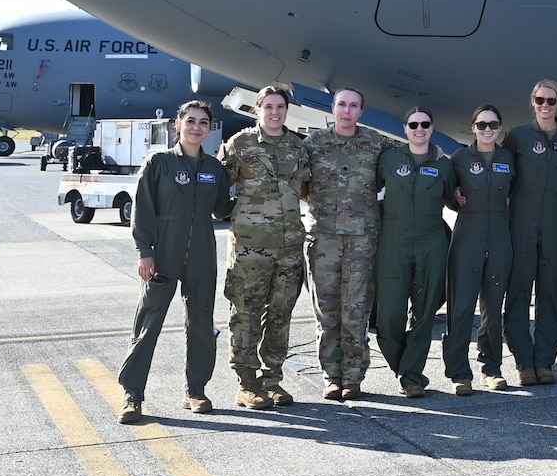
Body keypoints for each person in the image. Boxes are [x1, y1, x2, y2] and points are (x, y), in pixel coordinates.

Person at [116, 100, 232, 422]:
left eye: (203, 123)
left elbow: (223, 209)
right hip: (163, 251)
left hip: (202, 254)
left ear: (210, 129)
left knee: (201, 323)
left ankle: (196, 390)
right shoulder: (159, 163)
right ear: (177, 124)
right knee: (148, 323)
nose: (197, 127)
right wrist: (145, 252)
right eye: (190, 120)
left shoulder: (213, 168)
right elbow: (143, 209)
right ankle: (132, 396)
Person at [217, 85, 309, 410]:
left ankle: (272, 382)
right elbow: (217, 187)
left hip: (289, 249)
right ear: (257, 109)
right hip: (249, 250)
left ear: (286, 110)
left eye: (279, 107)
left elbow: (310, 190)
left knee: (281, 316)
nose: (274, 112)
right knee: (245, 316)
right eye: (267, 106)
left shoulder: (298, 148)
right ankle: (247, 384)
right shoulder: (239, 145)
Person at [302, 87, 381, 400]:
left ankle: (353, 377)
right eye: (342, 105)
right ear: (333, 109)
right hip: (324, 238)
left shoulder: (376, 143)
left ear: (361, 111)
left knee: (356, 310)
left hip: (362, 241)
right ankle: (331, 376)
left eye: (354, 105)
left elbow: (410, 158)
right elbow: (300, 184)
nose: (347, 111)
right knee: (327, 311)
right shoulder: (314, 144)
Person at [374, 108, 454, 397]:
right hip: (393, 243)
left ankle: (410, 377)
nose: (419, 129)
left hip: (431, 241)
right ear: (404, 128)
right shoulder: (389, 159)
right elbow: (368, 187)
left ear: (432, 129)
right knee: (390, 316)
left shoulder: (444, 165)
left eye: (425, 124)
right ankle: (405, 366)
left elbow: (455, 201)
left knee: (424, 313)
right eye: (413, 124)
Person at [505, 79, 557, 386]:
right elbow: (500, 170)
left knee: (551, 294)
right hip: (521, 224)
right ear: (532, 101)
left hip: (552, 224)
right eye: (540, 100)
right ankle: (524, 362)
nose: (545, 106)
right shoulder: (518, 136)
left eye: (551, 100)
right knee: (519, 293)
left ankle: (545, 362)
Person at [445, 105, 517, 392]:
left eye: (493, 125)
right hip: (467, 238)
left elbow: (516, 191)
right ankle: (460, 373)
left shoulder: (508, 158)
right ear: (472, 127)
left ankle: (492, 368)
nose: (488, 129)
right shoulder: (459, 158)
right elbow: (448, 193)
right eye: (482, 124)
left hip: (500, 237)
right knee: (461, 307)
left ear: (500, 128)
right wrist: (454, 197)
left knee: (493, 308)